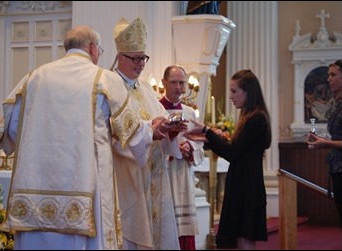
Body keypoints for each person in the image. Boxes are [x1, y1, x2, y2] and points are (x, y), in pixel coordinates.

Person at [0, 25, 171, 250]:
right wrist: (150, 130)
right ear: (93, 48)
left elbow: (10, 127)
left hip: (34, 190)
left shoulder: (34, 77)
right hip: (85, 187)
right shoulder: (103, 79)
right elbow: (131, 131)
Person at [110, 17, 184, 250]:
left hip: (155, 173)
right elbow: (113, 134)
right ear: (121, 57)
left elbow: (159, 120)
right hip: (128, 175)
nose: (141, 63)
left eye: (144, 58)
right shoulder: (110, 87)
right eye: (136, 58)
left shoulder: (146, 89)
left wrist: (170, 131)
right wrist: (149, 132)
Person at [184, 69, 272, 250]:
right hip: (243, 182)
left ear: (247, 91)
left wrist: (207, 131)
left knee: (244, 238)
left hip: (247, 185)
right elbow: (237, 150)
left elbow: (233, 153)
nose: (231, 96)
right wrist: (206, 138)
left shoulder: (256, 118)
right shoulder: (249, 116)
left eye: (234, 91)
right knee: (240, 238)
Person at [159, 66, 205, 250]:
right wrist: (172, 147)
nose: (179, 87)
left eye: (181, 82)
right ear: (164, 83)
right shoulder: (156, 108)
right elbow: (150, 143)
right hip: (164, 175)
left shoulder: (190, 112)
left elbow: (199, 144)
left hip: (184, 177)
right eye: (173, 82)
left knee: (184, 232)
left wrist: (190, 147)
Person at [307, 59, 342, 229]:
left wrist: (326, 144)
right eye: (329, 74)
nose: (328, 79)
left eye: (333, 75)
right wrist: (322, 141)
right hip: (336, 168)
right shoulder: (337, 105)